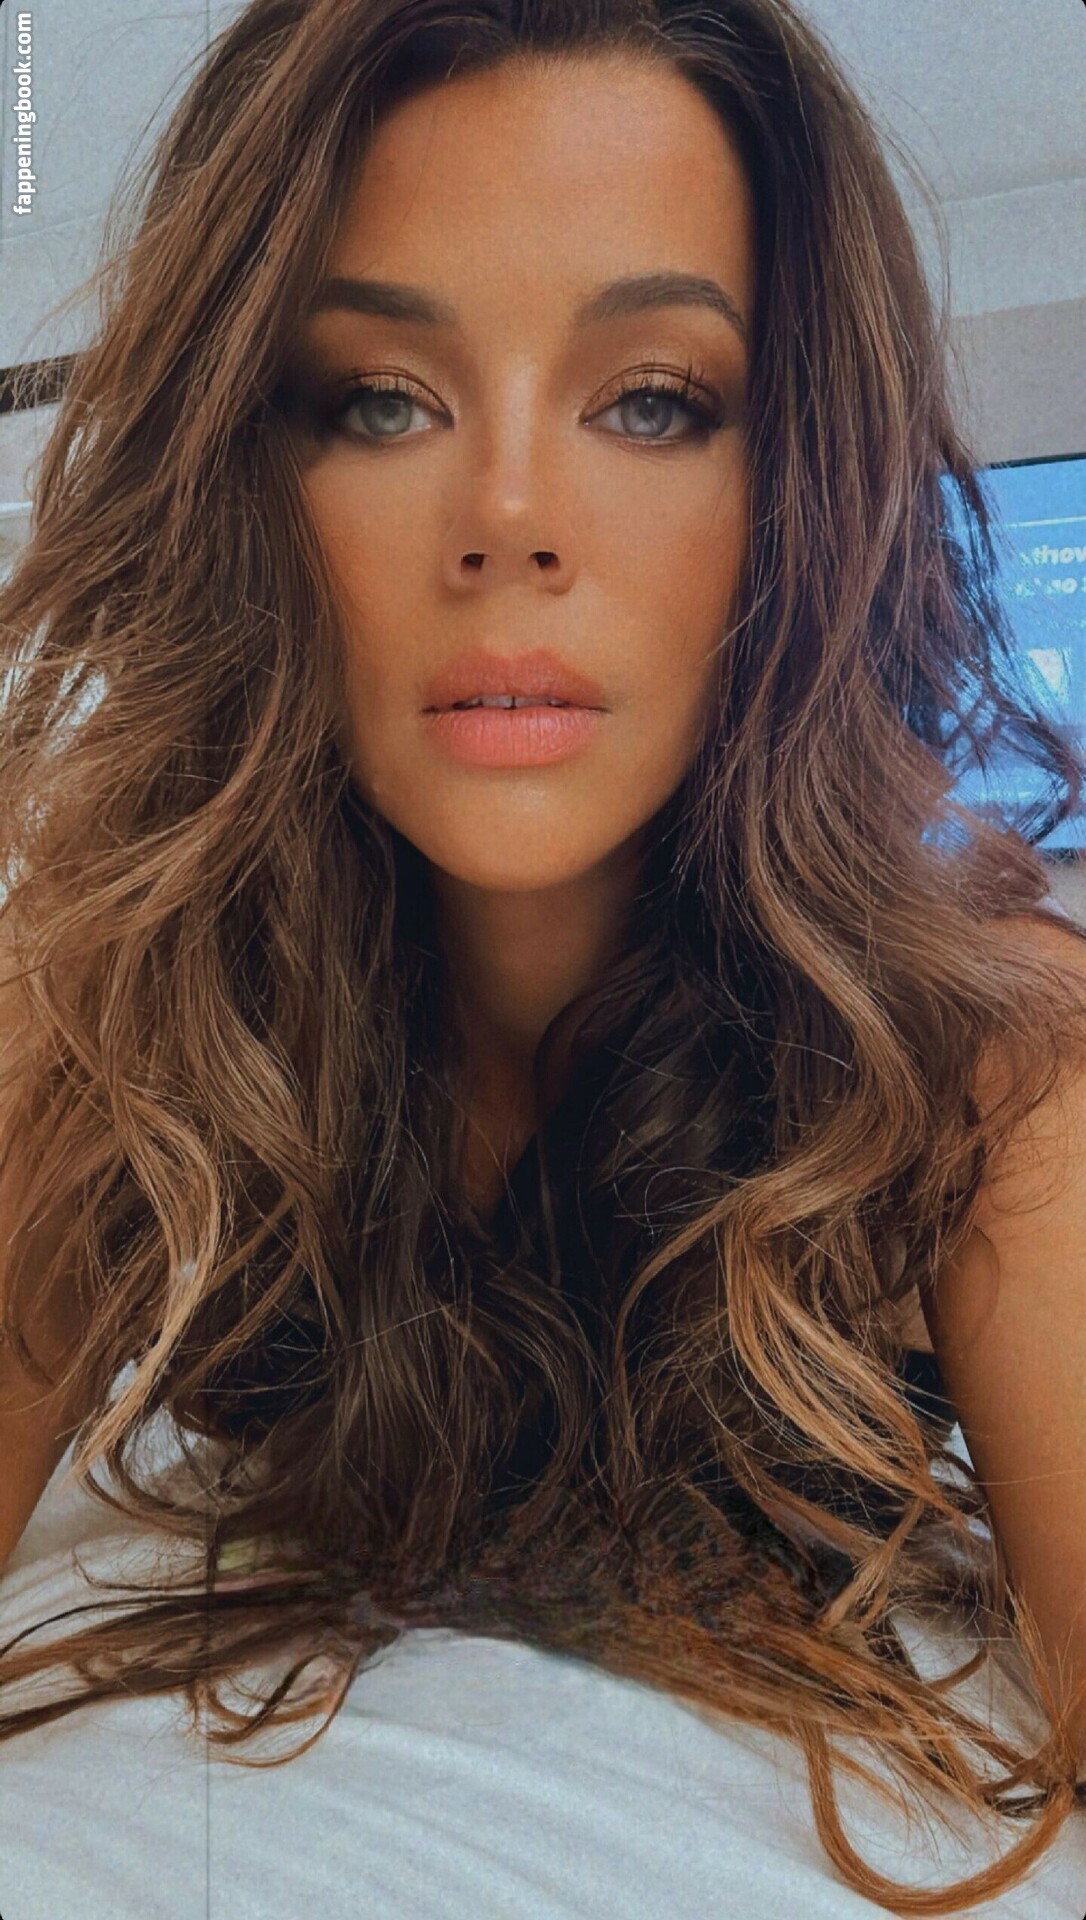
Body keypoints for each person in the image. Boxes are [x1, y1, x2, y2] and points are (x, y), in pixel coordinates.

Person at [1, 0, 1085, 1910]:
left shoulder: (991, 1068)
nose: (507, 520)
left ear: (795, 488)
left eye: (652, 400)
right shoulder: (100, 1008)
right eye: (376, 400)